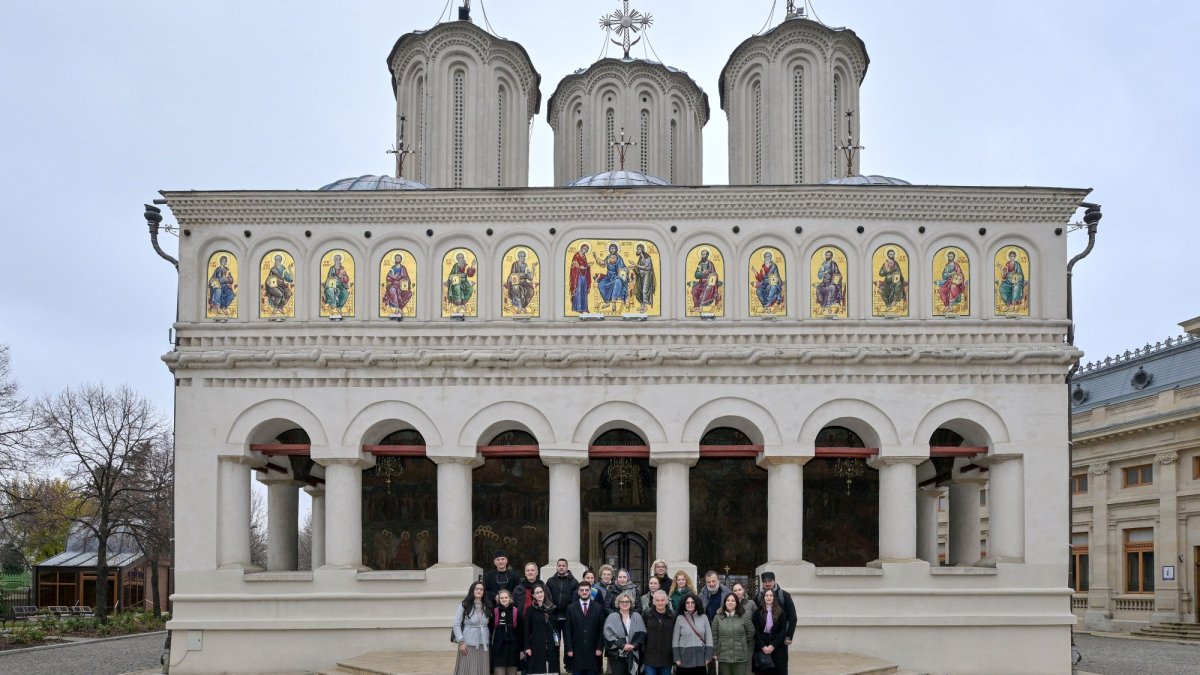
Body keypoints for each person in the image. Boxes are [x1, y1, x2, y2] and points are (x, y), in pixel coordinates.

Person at [564, 580, 606, 675]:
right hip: (576, 653)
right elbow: (567, 630)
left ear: (591, 591)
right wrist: (569, 649)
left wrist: (600, 647)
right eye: (581, 590)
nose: (584, 592)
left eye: (587, 590)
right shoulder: (571, 608)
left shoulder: (598, 608)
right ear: (578, 592)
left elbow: (601, 629)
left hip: (594, 653)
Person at [453, 581, 493, 675]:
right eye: (476, 589)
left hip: (483, 644)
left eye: (481, 589)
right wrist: (461, 642)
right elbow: (456, 624)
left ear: (484, 592)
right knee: (467, 668)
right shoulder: (465, 605)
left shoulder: (488, 605)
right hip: (468, 643)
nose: (479, 591)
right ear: (472, 590)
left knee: (481, 668)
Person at [603, 592, 646, 675]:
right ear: (618, 603)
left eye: (627, 601)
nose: (625, 603)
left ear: (631, 603)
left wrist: (633, 645)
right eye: (622, 602)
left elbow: (642, 633)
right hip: (617, 655)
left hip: (633, 653)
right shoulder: (612, 616)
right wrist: (622, 645)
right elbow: (608, 634)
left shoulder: (636, 616)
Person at [753, 573, 796, 654]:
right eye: (765, 581)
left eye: (770, 581)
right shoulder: (758, 596)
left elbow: (792, 617)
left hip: (780, 638)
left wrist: (789, 635)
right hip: (763, 640)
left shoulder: (784, 595)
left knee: (779, 664)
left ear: (774, 581)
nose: (767, 583)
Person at [713, 592, 754, 675]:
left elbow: (751, 631)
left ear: (737, 603)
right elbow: (714, 635)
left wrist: (742, 641)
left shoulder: (744, 616)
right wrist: (715, 652)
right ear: (725, 603)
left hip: (740, 655)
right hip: (723, 655)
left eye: (733, 600)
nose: (730, 602)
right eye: (728, 600)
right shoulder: (718, 617)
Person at [672, 593, 713, 675]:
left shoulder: (704, 617)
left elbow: (709, 638)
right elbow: (675, 640)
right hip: (684, 657)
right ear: (684, 604)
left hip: (700, 656)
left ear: (696, 603)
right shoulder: (680, 618)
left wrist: (708, 656)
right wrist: (677, 657)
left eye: (692, 602)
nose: (690, 604)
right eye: (687, 602)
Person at [545, 558, 579, 659]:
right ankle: (555, 665)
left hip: (567, 616)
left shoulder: (574, 582)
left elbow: (575, 599)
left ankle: (568, 665)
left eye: (563, 565)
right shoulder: (550, 581)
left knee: (569, 641)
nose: (561, 567)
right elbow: (547, 597)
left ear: (567, 567)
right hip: (554, 615)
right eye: (559, 565)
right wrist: (551, 609)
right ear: (556, 567)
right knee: (555, 641)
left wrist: (570, 611)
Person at [524, 584, 560, 675]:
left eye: (541, 592)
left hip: (551, 645)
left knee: (551, 670)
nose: (540, 594)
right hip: (536, 645)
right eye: (537, 593)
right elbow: (526, 630)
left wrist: (557, 642)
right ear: (533, 595)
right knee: (537, 670)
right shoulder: (530, 610)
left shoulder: (553, 608)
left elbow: (556, 628)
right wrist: (527, 647)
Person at [752, 590, 788, 674]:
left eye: (771, 595)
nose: (768, 597)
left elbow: (783, 631)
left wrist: (773, 645)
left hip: (777, 647)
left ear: (774, 598)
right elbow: (755, 631)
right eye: (766, 595)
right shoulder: (757, 613)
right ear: (763, 598)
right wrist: (762, 646)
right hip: (762, 647)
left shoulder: (781, 612)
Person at [641, 589, 676, 675]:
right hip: (649, 656)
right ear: (653, 601)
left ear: (667, 601)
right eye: (657, 600)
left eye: (662, 600)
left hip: (666, 657)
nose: (660, 603)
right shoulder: (647, 614)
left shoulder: (673, 615)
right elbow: (642, 634)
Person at [492, 589, 522, 675]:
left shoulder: (516, 611)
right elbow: (491, 628)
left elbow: (521, 631)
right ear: (499, 599)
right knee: (499, 672)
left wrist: (521, 648)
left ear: (510, 598)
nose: (504, 599)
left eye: (506, 597)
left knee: (512, 672)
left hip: (513, 648)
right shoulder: (494, 611)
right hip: (499, 647)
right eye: (502, 598)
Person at [593, 243, 629, 311]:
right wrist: (596, 257)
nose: (612, 250)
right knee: (601, 285)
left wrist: (620, 269)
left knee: (617, 281)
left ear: (616, 249)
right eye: (610, 248)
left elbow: (622, 268)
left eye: (613, 248)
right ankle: (607, 302)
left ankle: (613, 302)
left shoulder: (619, 258)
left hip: (616, 276)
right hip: (608, 277)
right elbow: (603, 263)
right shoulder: (608, 256)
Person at [631, 243, 656, 312]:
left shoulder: (647, 257)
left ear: (642, 249)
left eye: (639, 249)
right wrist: (633, 267)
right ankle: (642, 305)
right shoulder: (640, 258)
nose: (637, 251)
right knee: (637, 290)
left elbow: (645, 267)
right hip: (641, 276)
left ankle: (645, 307)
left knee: (644, 291)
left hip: (647, 275)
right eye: (637, 249)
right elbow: (639, 269)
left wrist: (636, 265)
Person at [570, 244, 591, 313]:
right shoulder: (576, 256)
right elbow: (574, 264)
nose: (585, 250)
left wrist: (587, 265)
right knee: (578, 290)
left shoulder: (584, 256)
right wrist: (579, 267)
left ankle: (584, 308)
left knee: (584, 291)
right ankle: (578, 308)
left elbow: (584, 265)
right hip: (578, 275)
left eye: (587, 249)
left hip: (584, 275)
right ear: (582, 248)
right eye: (585, 248)